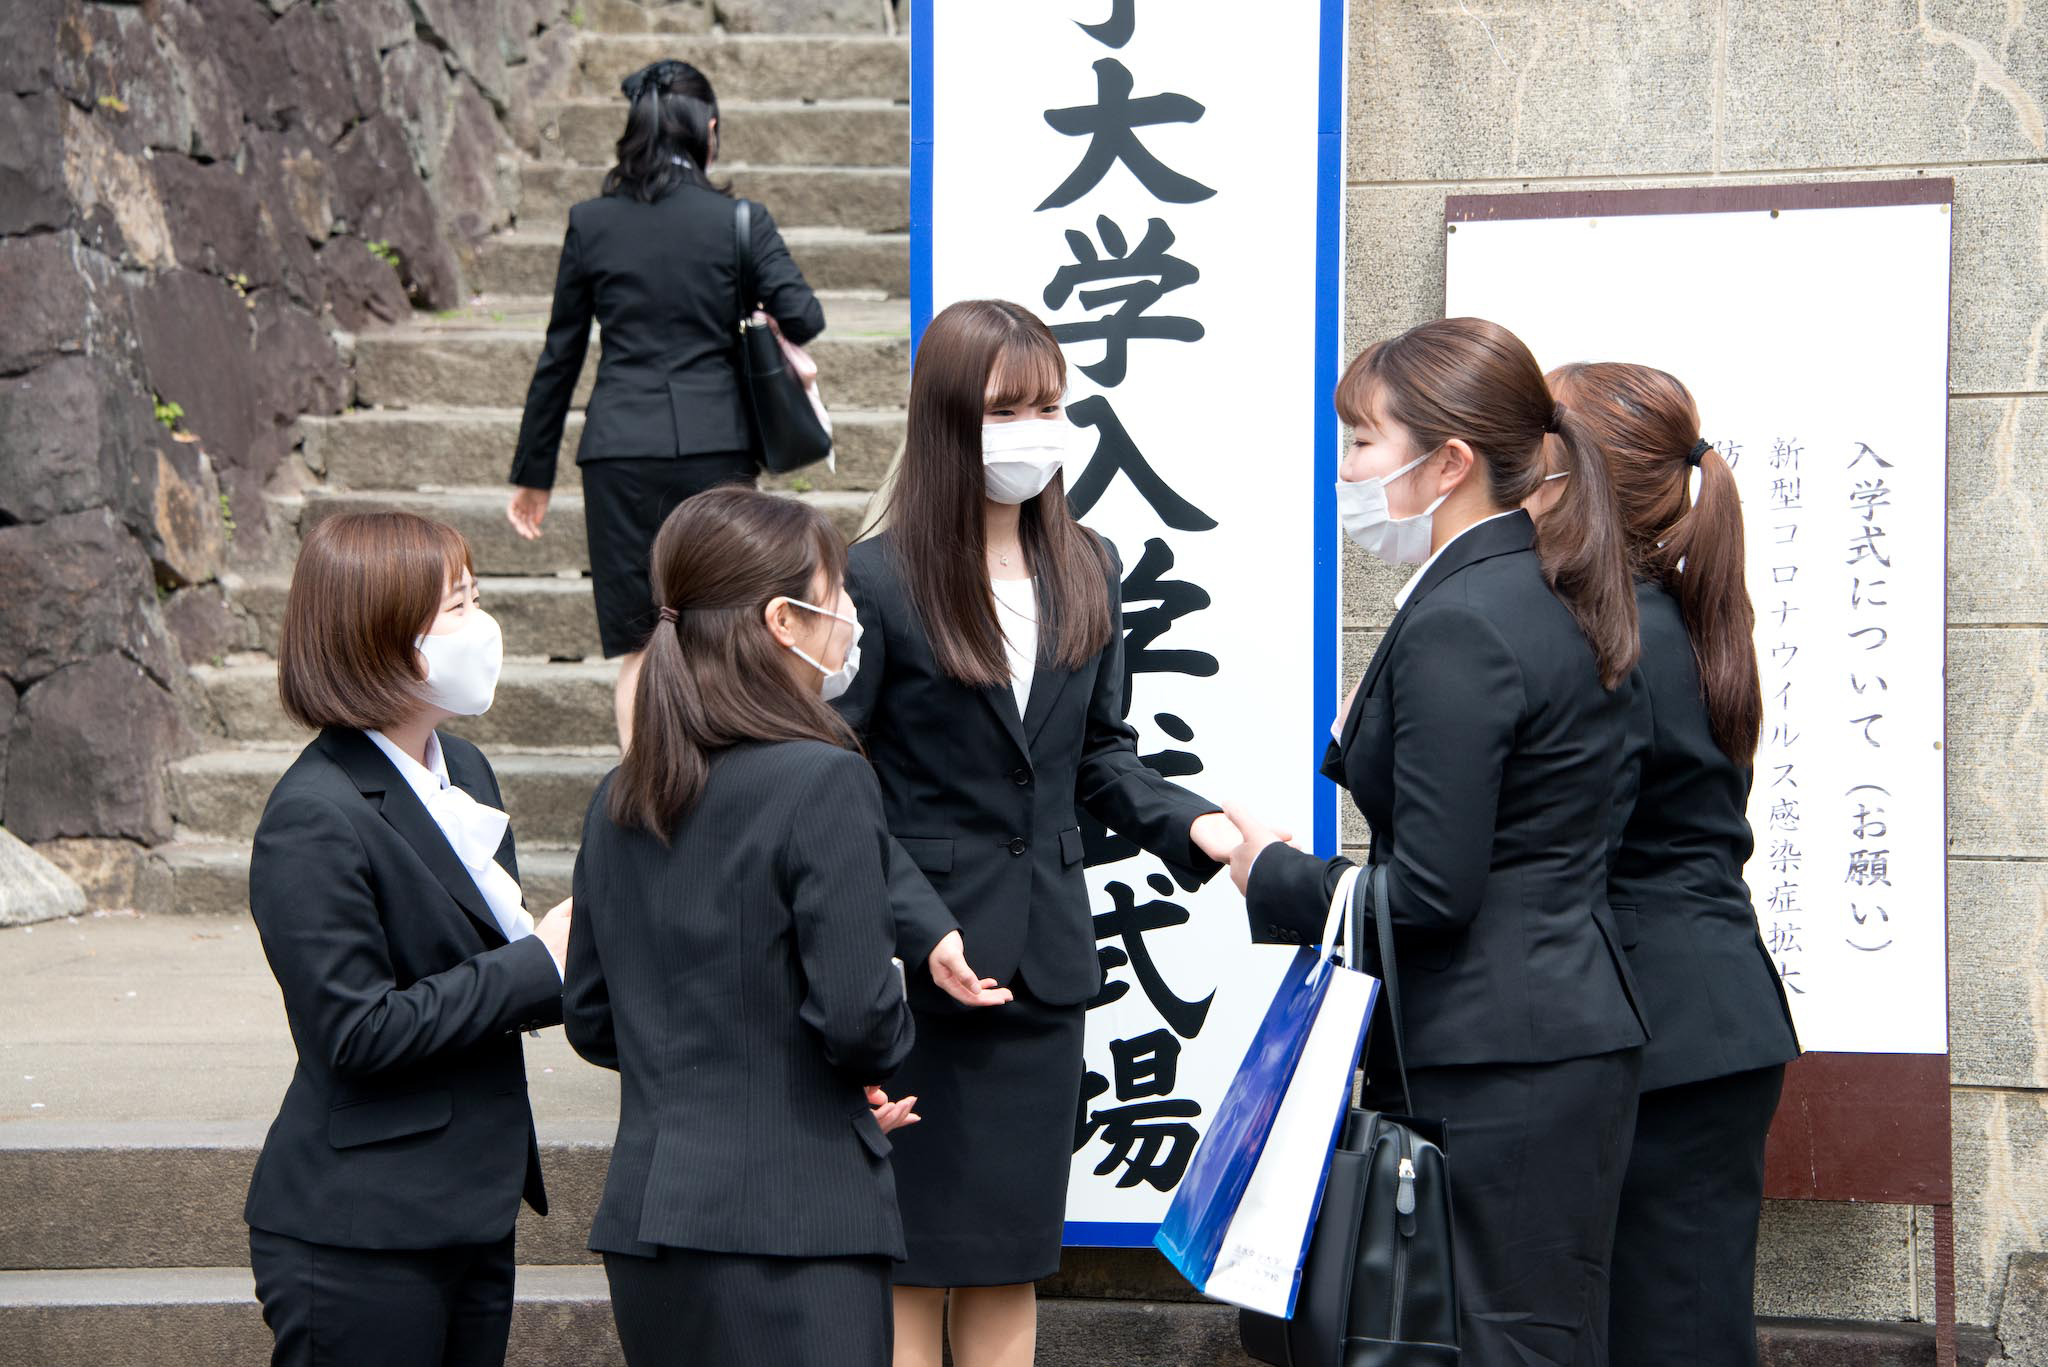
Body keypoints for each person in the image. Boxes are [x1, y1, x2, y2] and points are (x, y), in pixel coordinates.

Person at [1223, 317, 1648, 1367]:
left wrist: (1269, 872)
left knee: (1489, 1339)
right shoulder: (1534, 588)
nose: (1348, 471)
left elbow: (1431, 890)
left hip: (1497, 1051)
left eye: (1362, 443)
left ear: (1447, 460)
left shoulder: (1464, 615)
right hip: (1543, 1039)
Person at [832, 298, 1245, 1367]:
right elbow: (836, 783)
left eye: (1048, 404)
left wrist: (1187, 821)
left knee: (1011, 1257)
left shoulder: (1089, 563)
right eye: (1005, 407)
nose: (1033, 429)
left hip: (1042, 971)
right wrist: (917, 927)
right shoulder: (874, 578)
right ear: (944, 423)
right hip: (919, 976)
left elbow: (1099, 753)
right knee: (912, 1266)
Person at [563, 487, 918, 1367]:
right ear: (783, 622)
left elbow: (593, 1015)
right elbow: (859, 1018)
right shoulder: (822, 780)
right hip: (795, 1225)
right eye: (835, 597)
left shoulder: (622, 793)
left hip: (655, 1222)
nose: (848, 620)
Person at [243, 510, 572, 1367]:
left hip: (472, 1202)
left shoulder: (463, 768)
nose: (481, 626)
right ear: (380, 638)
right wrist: (538, 965)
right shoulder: (312, 817)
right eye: (457, 607)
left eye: (474, 597)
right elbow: (356, 1030)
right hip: (361, 1230)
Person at [1540, 362, 1800, 1367]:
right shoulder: (1670, 617)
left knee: (1674, 1329)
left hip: (1672, 1030)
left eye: (1543, 453)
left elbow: (1577, 845)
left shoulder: (1623, 638)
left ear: (1582, 481)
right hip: (1697, 1015)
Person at [507, 57, 824, 748]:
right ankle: (727, 801)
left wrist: (534, 473)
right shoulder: (738, 220)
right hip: (716, 445)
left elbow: (561, 354)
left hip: (619, 451)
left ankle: (641, 823)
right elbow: (805, 316)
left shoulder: (591, 223)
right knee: (726, 632)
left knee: (641, 644)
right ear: (708, 131)